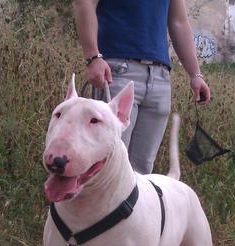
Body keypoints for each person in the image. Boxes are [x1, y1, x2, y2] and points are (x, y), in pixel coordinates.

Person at [74, 0, 211, 175]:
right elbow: (84, 3)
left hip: (160, 77)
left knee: (142, 171)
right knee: (107, 165)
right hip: (118, 71)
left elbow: (179, 22)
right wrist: (93, 57)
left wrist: (195, 74)